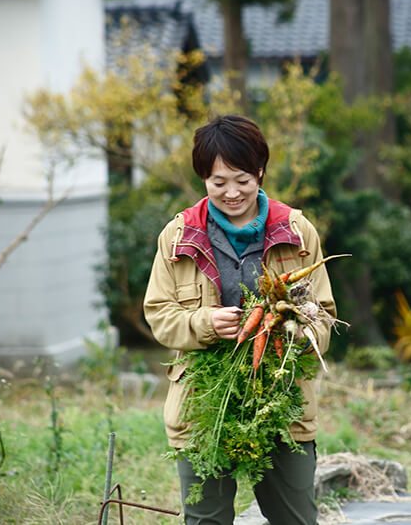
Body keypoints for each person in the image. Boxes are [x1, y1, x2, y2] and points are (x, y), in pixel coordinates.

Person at [143, 114, 336, 525]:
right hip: (205, 404)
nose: (232, 193)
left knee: (296, 519)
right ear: (203, 180)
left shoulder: (297, 232)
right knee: (207, 519)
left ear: (260, 172)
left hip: (283, 403)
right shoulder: (178, 238)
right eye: (218, 183)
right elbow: (159, 316)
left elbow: (325, 318)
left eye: (243, 180)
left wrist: (295, 330)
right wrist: (205, 323)